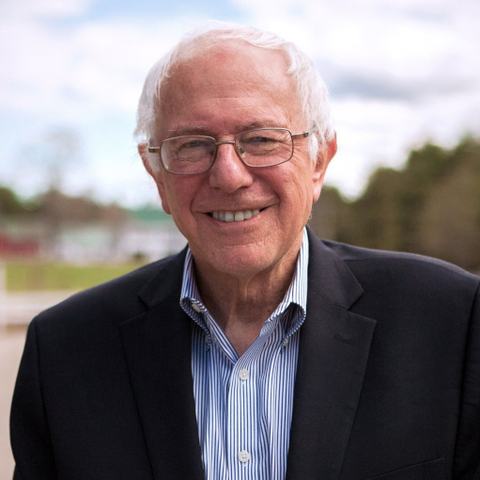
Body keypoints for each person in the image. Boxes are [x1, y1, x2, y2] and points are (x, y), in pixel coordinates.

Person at [10, 23, 480, 480]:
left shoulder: (453, 323)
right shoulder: (64, 352)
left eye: (261, 139)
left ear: (319, 161)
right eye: (193, 145)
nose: (229, 174)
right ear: (156, 173)